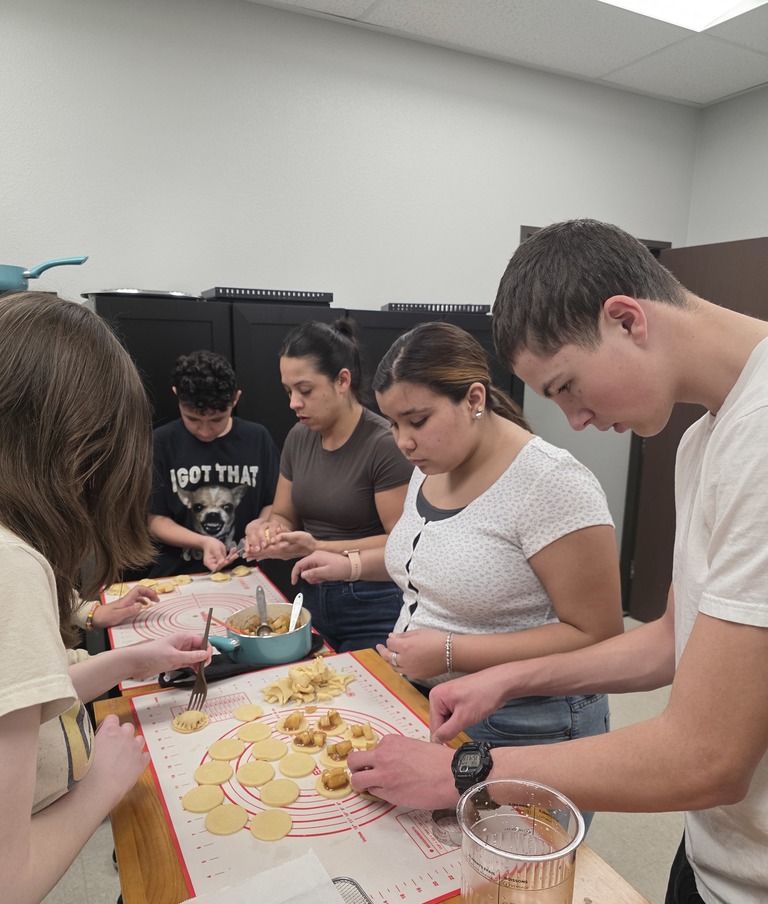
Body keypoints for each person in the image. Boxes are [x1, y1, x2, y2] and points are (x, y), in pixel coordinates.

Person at [344, 220, 768, 904]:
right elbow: (670, 643)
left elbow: (708, 756)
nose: (573, 419)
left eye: (568, 385)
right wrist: (509, 680)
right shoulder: (702, 440)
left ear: (627, 319)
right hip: (715, 869)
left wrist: (467, 772)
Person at [0, 293, 211, 904]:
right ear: (79, 446)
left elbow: (16, 703)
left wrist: (127, 663)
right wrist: (103, 784)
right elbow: (3, 887)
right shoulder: (12, 565)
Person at [292, 323, 623, 765]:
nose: (403, 441)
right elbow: (429, 556)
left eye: (417, 420)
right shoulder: (432, 462)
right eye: (392, 424)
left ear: (473, 399)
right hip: (435, 698)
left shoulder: (551, 484)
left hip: (526, 720)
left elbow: (597, 636)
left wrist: (450, 651)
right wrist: (348, 565)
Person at [245, 319, 412, 652]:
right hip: (312, 595)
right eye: (288, 391)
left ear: (342, 380)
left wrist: (316, 546)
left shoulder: (383, 444)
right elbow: (282, 513)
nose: (294, 402)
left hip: (372, 600)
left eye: (305, 391)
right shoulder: (298, 437)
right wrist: (268, 532)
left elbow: (402, 542)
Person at [148, 350, 279, 577]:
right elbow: (155, 519)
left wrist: (260, 529)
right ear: (176, 395)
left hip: (244, 573)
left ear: (235, 399)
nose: (205, 430)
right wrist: (203, 542)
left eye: (217, 419)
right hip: (177, 575)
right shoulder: (161, 441)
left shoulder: (257, 438)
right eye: (193, 419)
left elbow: (274, 503)